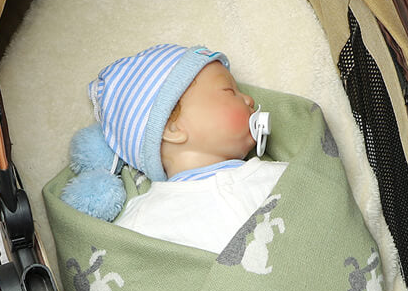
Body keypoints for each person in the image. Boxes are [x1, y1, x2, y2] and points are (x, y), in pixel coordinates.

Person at [66, 44, 287, 254]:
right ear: (172, 127)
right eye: (230, 91)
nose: (249, 99)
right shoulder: (141, 226)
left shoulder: (282, 176)